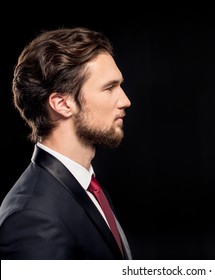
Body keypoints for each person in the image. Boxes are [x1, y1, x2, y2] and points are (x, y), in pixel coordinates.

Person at [0, 27, 132, 259]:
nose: (125, 100)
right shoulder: (32, 218)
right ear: (62, 104)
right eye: (109, 88)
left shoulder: (88, 186)